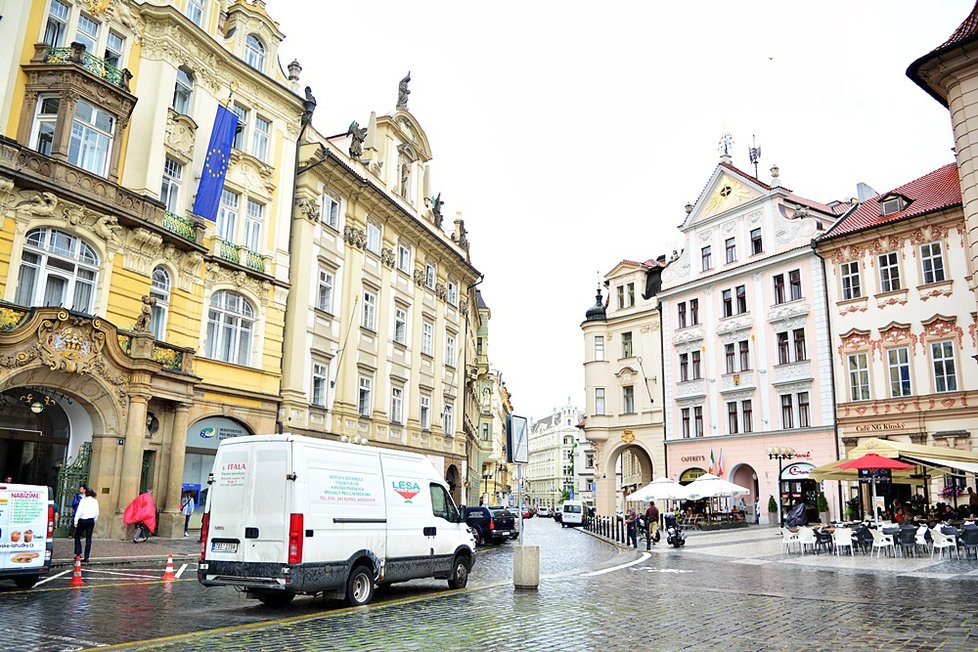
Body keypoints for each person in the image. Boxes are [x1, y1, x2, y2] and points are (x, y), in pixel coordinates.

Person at [73, 488, 99, 562]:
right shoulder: (95, 501)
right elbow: (97, 513)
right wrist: (94, 521)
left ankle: (78, 554)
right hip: (91, 520)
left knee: (77, 536)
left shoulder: (83, 500)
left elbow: (79, 511)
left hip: (82, 520)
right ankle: (86, 557)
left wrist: (76, 521)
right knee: (88, 539)